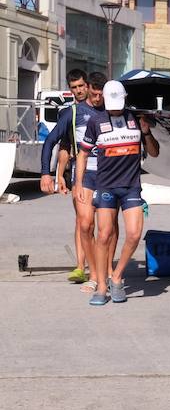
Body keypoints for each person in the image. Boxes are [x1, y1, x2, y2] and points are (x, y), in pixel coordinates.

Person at [77, 79, 159, 306]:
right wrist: (79, 183)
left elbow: (154, 153)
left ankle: (116, 277)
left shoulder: (136, 118)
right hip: (106, 186)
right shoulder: (96, 121)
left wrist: (146, 133)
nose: (115, 108)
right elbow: (83, 154)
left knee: (134, 234)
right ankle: (102, 287)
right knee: (104, 235)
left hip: (131, 186)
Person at [40, 69, 99, 286]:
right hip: (80, 171)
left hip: (104, 173)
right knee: (83, 221)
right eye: (74, 87)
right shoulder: (69, 113)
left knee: (104, 222)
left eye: (81, 86)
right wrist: (57, 175)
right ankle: (81, 266)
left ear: (88, 85)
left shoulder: (102, 108)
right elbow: (64, 145)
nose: (78, 90)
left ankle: (101, 266)